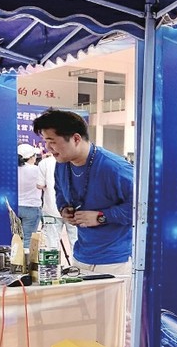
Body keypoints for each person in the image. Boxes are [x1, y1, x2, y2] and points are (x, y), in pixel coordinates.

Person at [32, 110, 133, 274]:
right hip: (81, 256)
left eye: (52, 141)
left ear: (76, 139)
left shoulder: (114, 168)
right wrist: (64, 209)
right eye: (45, 141)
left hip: (115, 261)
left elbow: (145, 207)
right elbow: (59, 191)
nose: (47, 147)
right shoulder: (62, 164)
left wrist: (102, 217)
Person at [37, 151, 78, 259]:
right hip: (73, 210)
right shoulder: (75, 160)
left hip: (51, 209)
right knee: (75, 240)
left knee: (51, 242)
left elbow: (40, 185)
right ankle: (77, 266)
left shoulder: (44, 163)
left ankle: (52, 266)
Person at [16, 144, 43, 248]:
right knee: (28, 241)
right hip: (32, 207)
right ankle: (26, 259)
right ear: (31, 157)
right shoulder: (37, 170)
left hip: (15, 207)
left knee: (15, 240)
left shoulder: (12, 170)